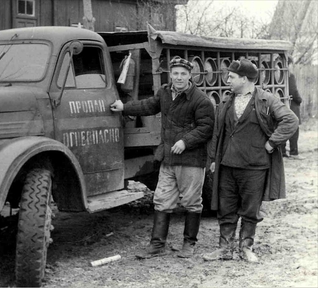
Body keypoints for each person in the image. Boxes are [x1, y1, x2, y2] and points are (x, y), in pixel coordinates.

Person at [110, 56, 215, 259]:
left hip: (191, 159)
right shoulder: (165, 93)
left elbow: (206, 128)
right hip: (168, 158)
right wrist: (124, 107)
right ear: (170, 75)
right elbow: (148, 106)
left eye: (183, 74)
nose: (178, 77)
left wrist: (185, 141)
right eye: (175, 73)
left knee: (192, 202)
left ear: (190, 76)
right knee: (162, 200)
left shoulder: (200, 100)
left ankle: (189, 244)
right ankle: (157, 245)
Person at [203, 58, 298, 263]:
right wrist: (213, 159)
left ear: (245, 79)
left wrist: (272, 143)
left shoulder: (267, 100)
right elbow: (218, 133)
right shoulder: (227, 101)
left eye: (232, 76)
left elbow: (291, 120)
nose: (227, 79)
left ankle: (246, 247)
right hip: (227, 165)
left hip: (255, 166)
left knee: (250, 209)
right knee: (225, 208)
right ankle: (224, 249)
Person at [280, 56, 304, 160]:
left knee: (282, 127)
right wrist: (299, 100)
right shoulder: (289, 75)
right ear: (288, 64)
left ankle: (283, 152)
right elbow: (294, 92)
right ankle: (294, 152)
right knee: (294, 128)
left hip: (280, 105)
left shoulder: (277, 75)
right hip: (291, 105)